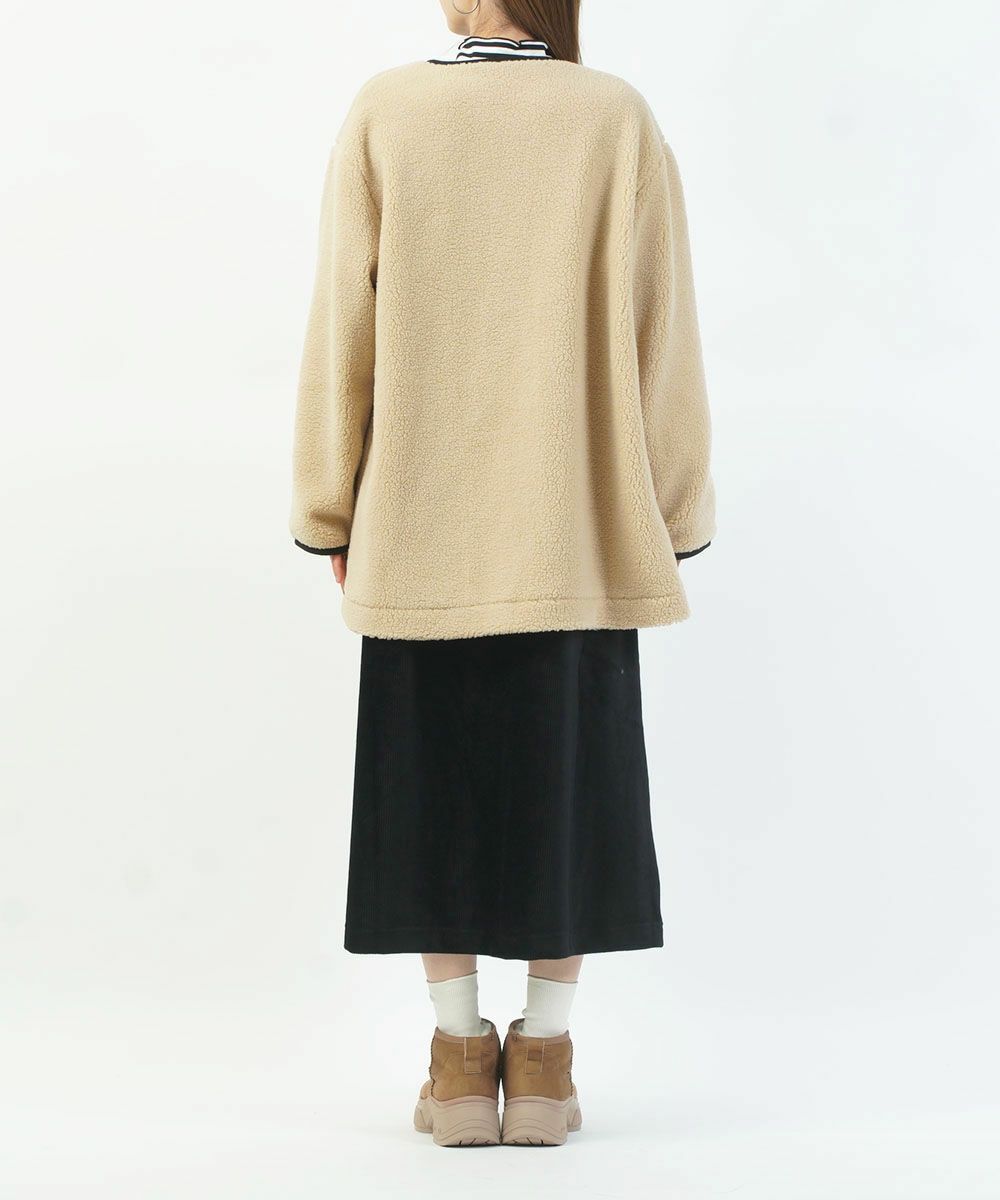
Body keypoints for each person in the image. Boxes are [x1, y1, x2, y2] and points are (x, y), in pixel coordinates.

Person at [290, 0, 715, 1147]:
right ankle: (543, 1068)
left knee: (429, 796)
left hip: (422, 526)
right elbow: (661, 329)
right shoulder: (613, 115)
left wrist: (328, 508)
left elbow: (342, 325)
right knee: (564, 796)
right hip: (575, 528)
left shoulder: (390, 109)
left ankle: (456, 1066)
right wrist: (675, 510)